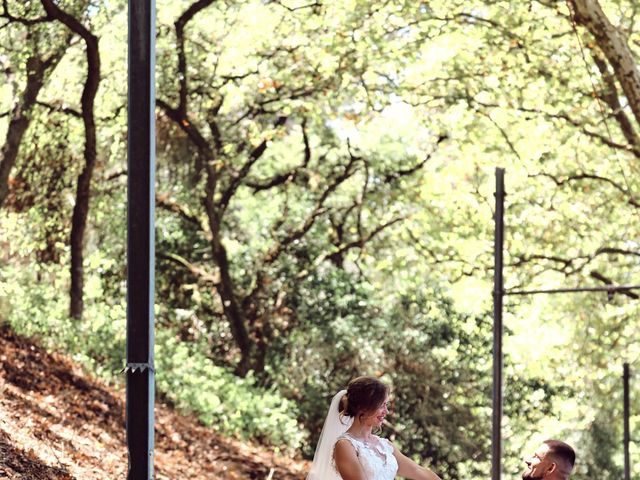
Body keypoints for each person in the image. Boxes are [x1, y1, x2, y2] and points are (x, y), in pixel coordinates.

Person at [307, 376, 442, 480]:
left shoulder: (384, 445)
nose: (386, 411)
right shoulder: (345, 446)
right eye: (381, 405)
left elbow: (418, 471)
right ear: (364, 407)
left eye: (386, 405)